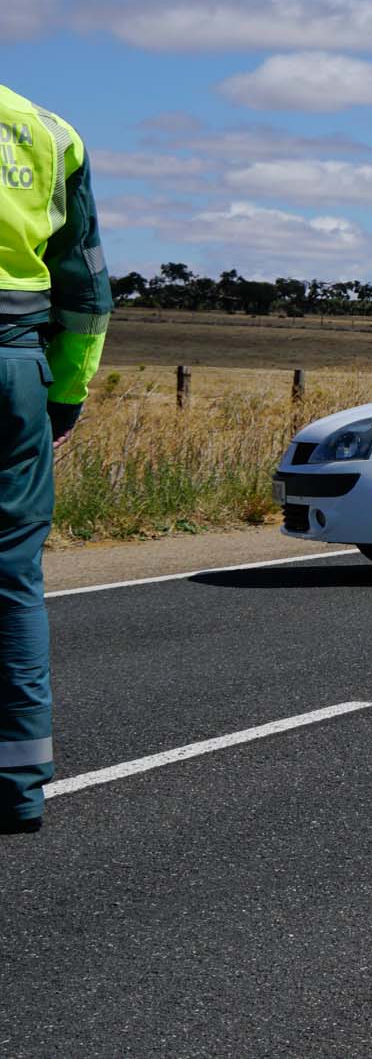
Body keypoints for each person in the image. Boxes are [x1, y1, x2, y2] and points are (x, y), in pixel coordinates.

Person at [0, 84, 110, 836]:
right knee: (11, 576)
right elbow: (86, 287)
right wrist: (64, 395)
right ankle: (18, 785)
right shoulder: (47, 129)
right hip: (15, 371)